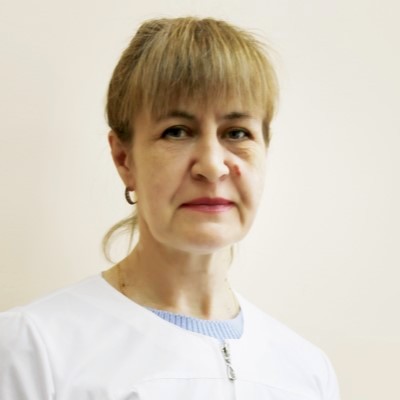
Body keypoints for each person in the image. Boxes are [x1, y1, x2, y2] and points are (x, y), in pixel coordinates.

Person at [0, 17, 340, 399]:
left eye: (237, 133)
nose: (212, 165)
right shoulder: (34, 350)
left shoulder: (307, 372)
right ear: (124, 159)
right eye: (176, 131)